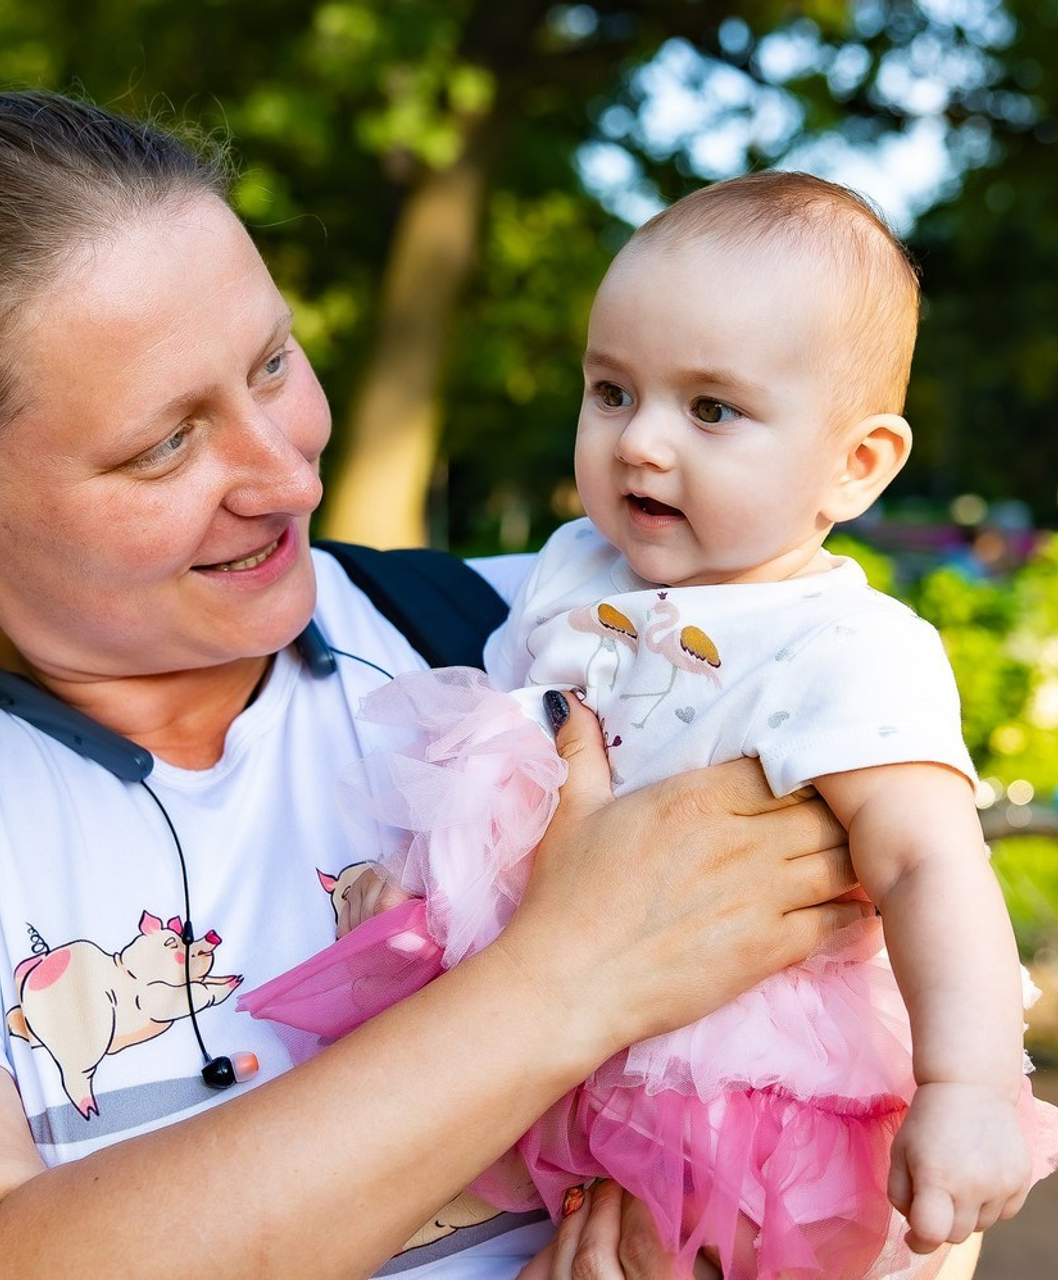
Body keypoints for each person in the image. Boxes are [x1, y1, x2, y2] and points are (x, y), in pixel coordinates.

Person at [0, 91, 876, 1279]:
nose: (282, 473)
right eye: (164, 442)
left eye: (271, 364)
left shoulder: (576, 636)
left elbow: (894, 1089)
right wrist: (568, 976)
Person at [241, 173, 1058, 1277]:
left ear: (854, 465)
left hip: (741, 1069)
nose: (639, 443)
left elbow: (925, 863)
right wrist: (425, 882)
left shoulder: (844, 645)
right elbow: (492, 747)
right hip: (548, 1023)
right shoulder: (567, 571)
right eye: (612, 391)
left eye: (709, 409)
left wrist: (965, 1087)